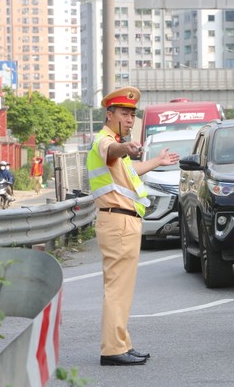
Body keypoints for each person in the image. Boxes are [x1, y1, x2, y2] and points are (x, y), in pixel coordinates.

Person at [86, 86, 180, 367]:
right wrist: (124, 147)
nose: (130, 120)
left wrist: (156, 161)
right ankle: (113, 349)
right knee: (117, 289)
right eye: (124, 114)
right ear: (109, 114)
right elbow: (112, 151)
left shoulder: (114, 144)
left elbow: (129, 171)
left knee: (121, 289)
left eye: (132, 115)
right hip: (117, 221)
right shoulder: (104, 142)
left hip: (122, 221)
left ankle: (121, 344)